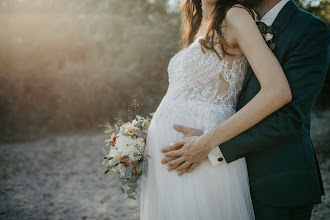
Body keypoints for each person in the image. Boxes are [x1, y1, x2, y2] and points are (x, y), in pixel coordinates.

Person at [161, 0, 330, 219]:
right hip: (216, 178)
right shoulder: (221, 20)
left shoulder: (308, 29)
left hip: (275, 181)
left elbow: (288, 118)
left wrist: (210, 145)